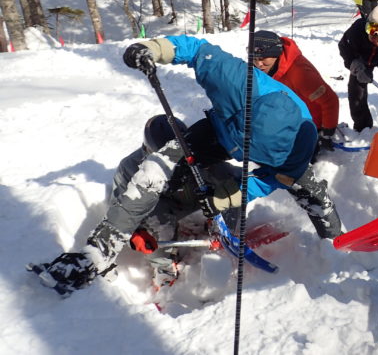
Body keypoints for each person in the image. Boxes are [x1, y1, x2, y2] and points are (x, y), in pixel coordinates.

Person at [31, 35, 343, 297]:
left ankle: (336, 244)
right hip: (223, 130)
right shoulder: (236, 80)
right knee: (156, 168)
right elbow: (194, 48)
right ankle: (98, 251)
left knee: (313, 194)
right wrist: (153, 49)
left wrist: (227, 197)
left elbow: (267, 180)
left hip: (274, 150)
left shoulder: (298, 148)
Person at [251, 30, 340, 160]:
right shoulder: (267, 68)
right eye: (254, 59)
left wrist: (327, 132)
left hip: (310, 126)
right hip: (287, 119)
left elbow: (330, 101)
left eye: (263, 58)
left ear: (275, 54)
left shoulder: (299, 73)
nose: (258, 64)